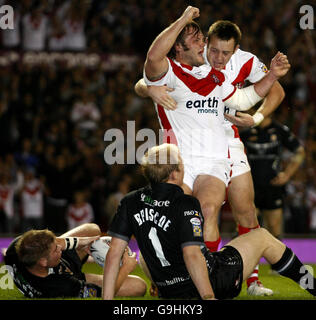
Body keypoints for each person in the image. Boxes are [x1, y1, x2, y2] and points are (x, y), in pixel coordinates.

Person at [134, 7, 289, 295]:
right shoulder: (171, 71)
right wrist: (147, 87)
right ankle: (165, 276)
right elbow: (151, 64)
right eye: (198, 40)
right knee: (167, 221)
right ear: (178, 48)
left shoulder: (222, 71)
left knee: (214, 210)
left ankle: (211, 279)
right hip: (180, 160)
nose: (206, 46)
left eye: (205, 38)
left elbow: (244, 98)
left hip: (220, 149)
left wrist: (267, 87)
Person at [102, 143, 316, 300]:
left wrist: (107, 300)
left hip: (170, 289)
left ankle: (163, 290)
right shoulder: (186, 203)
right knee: (262, 237)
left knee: (143, 255)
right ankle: (313, 285)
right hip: (211, 283)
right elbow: (192, 254)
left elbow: (114, 253)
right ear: (176, 173)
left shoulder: (130, 201)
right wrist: (208, 296)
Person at [4, 223, 147, 298]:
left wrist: (84, 242)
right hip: (72, 278)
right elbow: (105, 295)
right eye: (55, 250)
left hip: (59, 264)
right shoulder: (60, 286)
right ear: (42, 262)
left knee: (92, 229)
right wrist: (125, 268)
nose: (60, 248)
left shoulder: (16, 248)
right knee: (139, 286)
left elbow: (56, 243)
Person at [239, 115, 305, 239]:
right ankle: (249, 257)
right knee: (247, 229)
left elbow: (300, 151)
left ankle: (277, 258)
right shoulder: (246, 132)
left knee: (274, 229)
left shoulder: (280, 130)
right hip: (251, 187)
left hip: (273, 186)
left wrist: (287, 174)